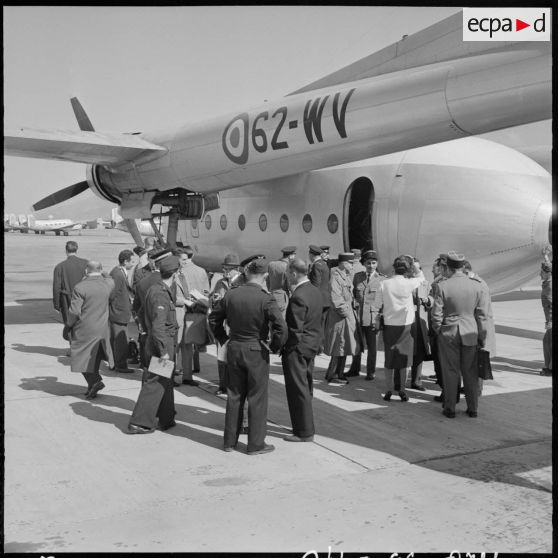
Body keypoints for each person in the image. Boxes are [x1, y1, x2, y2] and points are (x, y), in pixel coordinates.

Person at [209, 257, 287, 455]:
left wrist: (224, 339)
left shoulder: (231, 294)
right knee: (257, 398)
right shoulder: (265, 298)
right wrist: (274, 347)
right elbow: (281, 327)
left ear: (245, 274)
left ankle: (229, 442)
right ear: (265, 276)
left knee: (234, 396)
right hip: (256, 350)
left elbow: (213, 319)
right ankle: (255, 444)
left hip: (234, 347)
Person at [430, 251, 489, 418]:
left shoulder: (442, 286)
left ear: (447, 267)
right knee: (470, 372)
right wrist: (482, 336)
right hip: (470, 332)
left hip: (449, 333)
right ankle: (473, 408)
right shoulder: (477, 285)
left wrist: (438, 330)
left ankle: (450, 408)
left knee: (450, 371)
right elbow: (482, 315)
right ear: (463, 267)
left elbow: (436, 315)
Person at [127, 255, 181, 434]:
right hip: (162, 342)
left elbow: (141, 312)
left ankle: (167, 418)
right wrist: (163, 351)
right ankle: (140, 422)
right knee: (155, 382)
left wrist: (146, 331)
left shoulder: (155, 288)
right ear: (175, 273)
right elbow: (159, 326)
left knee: (165, 381)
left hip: (156, 339)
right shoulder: (160, 294)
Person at [372, 255, 426, 402]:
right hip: (406, 326)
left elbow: (377, 304)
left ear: (393, 268)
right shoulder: (410, 283)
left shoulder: (384, 284)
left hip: (389, 325)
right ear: (407, 269)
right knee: (404, 361)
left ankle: (389, 389)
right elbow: (422, 278)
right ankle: (402, 390)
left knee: (389, 360)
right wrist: (415, 265)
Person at [281, 257, 322, 442]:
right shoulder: (314, 291)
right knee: (306, 387)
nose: (288, 277)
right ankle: (303, 425)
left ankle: (304, 431)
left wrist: (286, 348)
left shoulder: (298, 296)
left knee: (298, 390)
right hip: (311, 345)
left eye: (289, 273)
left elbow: (294, 329)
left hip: (298, 348)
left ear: (294, 273)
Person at [66, 261, 114, 399]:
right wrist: (101, 271)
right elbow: (109, 277)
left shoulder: (80, 287)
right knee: (94, 358)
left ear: (86, 270)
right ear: (100, 270)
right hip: (102, 328)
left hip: (85, 328)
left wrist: (69, 325)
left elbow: (74, 312)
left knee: (79, 358)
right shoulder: (107, 285)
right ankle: (91, 385)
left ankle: (95, 381)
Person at [324, 253, 361, 384]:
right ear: (344, 263)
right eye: (350, 263)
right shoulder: (336, 277)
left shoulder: (344, 276)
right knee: (339, 346)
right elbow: (336, 300)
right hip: (340, 318)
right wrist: (347, 313)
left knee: (343, 346)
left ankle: (338, 373)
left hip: (345, 317)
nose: (352, 266)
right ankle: (333, 374)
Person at [347, 249, 384, 380]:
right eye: (368, 263)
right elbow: (352, 295)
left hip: (373, 318)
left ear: (377, 264)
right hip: (358, 316)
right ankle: (354, 369)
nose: (371, 266)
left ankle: (370, 371)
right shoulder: (358, 277)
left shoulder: (382, 280)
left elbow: (384, 301)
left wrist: (381, 317)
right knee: (356, 344)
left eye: (373, 263)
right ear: (364, 263)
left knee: (372, 347)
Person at [132, 248, 171, 368]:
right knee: (161, 372)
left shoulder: (142, 282)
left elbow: (137, 306)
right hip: (163, 331)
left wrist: (142, 323)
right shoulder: (167, 281)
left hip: (147, 328)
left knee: (150, 368)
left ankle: (148, 372)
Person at [210, 253, 242, 396]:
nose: (225, 272)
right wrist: (214, 300)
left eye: (228, 269)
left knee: (235, 358)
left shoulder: (242, 283)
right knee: (221, 357)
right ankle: (223, 385)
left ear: (237, 269)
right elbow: (214, 302)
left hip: (236, 325)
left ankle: (234, 385)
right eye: (224, 268)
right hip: (223, 326)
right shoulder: (219, 283)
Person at [463, 260, 496, 394]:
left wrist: (482, 335)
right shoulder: (474, 282)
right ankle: (471, 388)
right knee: (473, 360)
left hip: (479, 328)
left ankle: (476, 390)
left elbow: (482, 314)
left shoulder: (479, 284)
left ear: (466, 271)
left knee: (478, 360)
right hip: (475, 328)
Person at [180, 245, 211, 382]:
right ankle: (196, 366)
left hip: (186, 311)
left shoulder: (179, 272)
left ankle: (187, 374)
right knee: (197, 340)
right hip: (200, 310)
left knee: (185, 345)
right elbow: (206, 292)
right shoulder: (202, 271)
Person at [53, 241, 88, 347]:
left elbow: (56, 287)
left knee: (69, 323)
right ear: (76, 249)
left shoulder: (60, 266)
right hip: (83, 298)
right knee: (83, 322)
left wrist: (57, 304)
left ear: (66, 250)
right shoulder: (86, 263)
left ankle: (73, 346)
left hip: (67, 298)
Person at [109, 250, 136, 373]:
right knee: (120, 340)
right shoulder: (117, 275)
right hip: (118, 313)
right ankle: (120, 365)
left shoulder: (120, 272)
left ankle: (117, 362)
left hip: (120, 311)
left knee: (120, 339)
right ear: (125, 262)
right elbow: (112, 294)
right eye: (132, 261)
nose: (133, 264)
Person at [409, 257, 431, 391]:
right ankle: (399, 380)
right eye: (414, 268)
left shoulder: (424, 283)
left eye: (419, 268)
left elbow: (427, 299)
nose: (417, 271)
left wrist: (428, 301)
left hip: (420, 322)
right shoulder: (406, 282)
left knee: (419, 352)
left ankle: (416, 380)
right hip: (408, 321)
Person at [308, 245, 331, 351]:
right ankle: (321, 345)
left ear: (311, 255)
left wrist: (313, 299)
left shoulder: (316, 265)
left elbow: (316, 284)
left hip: (318, 299)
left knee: (316, 324)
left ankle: (317, 347)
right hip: (326, 299)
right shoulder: (324, 264)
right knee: (322, 324)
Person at [267, 246, 296, 317]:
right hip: (283, 297)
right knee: (282, 321)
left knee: (271, 320)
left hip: (271, 294)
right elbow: (290, 285)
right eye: (294, 255)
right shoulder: (287, 267)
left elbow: (268, 280)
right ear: (290, 256)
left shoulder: (271, 264)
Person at [540, 250, 552, 376]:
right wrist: (545, 256)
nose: (540, 275)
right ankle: (549, 367)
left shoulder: (550, 287)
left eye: (542, 273)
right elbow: (549, 266)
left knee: (550, 343)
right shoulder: (548, 281)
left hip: (552, 320)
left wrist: (550, 322)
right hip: (549, 319)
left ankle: (551, 369)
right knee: (547, 342)